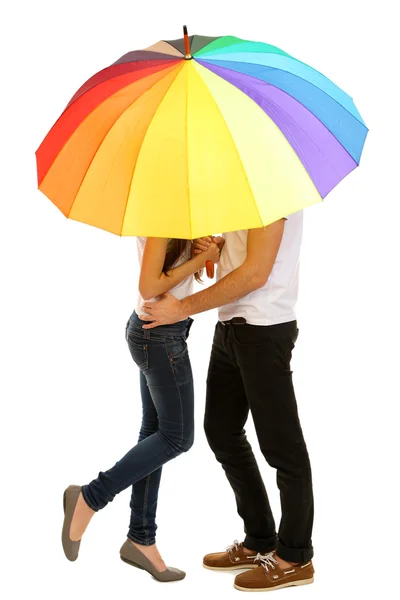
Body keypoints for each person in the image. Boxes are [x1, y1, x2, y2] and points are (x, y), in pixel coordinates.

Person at [140, 213, 315, 593]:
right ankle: (260, 539)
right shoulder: (250, 187)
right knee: (220, 431)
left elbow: (255, 274)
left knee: (282, 447)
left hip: (264, 330)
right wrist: (217, 250)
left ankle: (295, 556)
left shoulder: (276, 188)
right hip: (233, 326)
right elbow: (244, 261)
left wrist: (181, 308)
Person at [61, 236, 220, 582]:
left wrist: (203, 252)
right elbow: (149, 285)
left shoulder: (178, 209)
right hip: (160, 337)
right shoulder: (162, 210)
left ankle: (140, 538)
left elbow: (175, 272)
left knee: (155, 434)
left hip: (159, 332)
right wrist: (198, 260)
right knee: (178, 438)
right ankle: (90, 497)